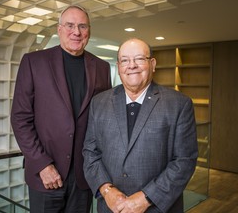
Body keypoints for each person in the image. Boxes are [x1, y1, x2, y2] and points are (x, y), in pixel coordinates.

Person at [11, 5, 112, 213]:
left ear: (89, 31)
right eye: (70, 25)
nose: (76, 32)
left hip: (84, 176)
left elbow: (104, 121)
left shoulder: (101, 67)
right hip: (46, 174)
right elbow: (20, 119)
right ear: (59, 29)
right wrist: (42, 164)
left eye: (82, 26)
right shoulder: (34, 62)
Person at [83, 38, 198, 213]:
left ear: (152, 64)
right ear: (119, 65)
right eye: (125, 60)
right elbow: (90, 152)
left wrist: (146, 198)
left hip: (157, 208)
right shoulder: (99, 103)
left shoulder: (178, 104)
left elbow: (184, 161)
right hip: (111, 207)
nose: (132, 65)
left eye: (139, 59)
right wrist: (107, 190)